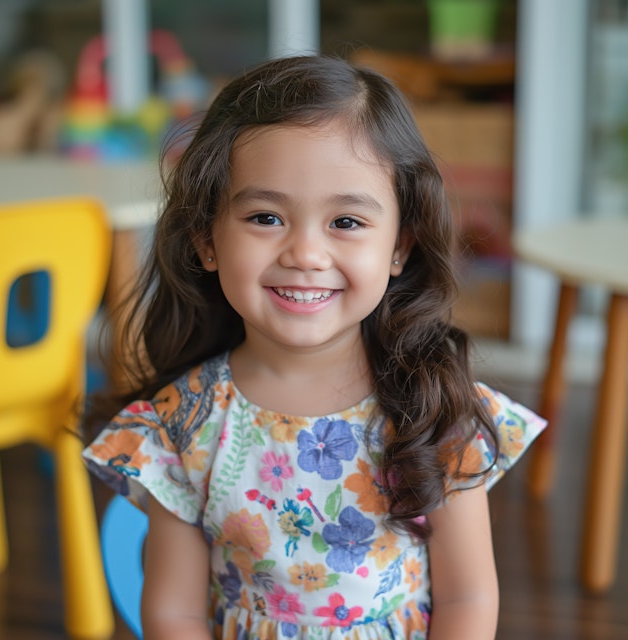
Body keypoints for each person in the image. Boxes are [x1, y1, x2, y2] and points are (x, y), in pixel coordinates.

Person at [83, 55, 546, 640]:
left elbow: (470, 598)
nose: (305, 253)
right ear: (207, 240)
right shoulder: (185, 423)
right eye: (266, 216)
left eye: (346, 222)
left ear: (398, 247)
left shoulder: (435, 405)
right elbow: (172, 613)